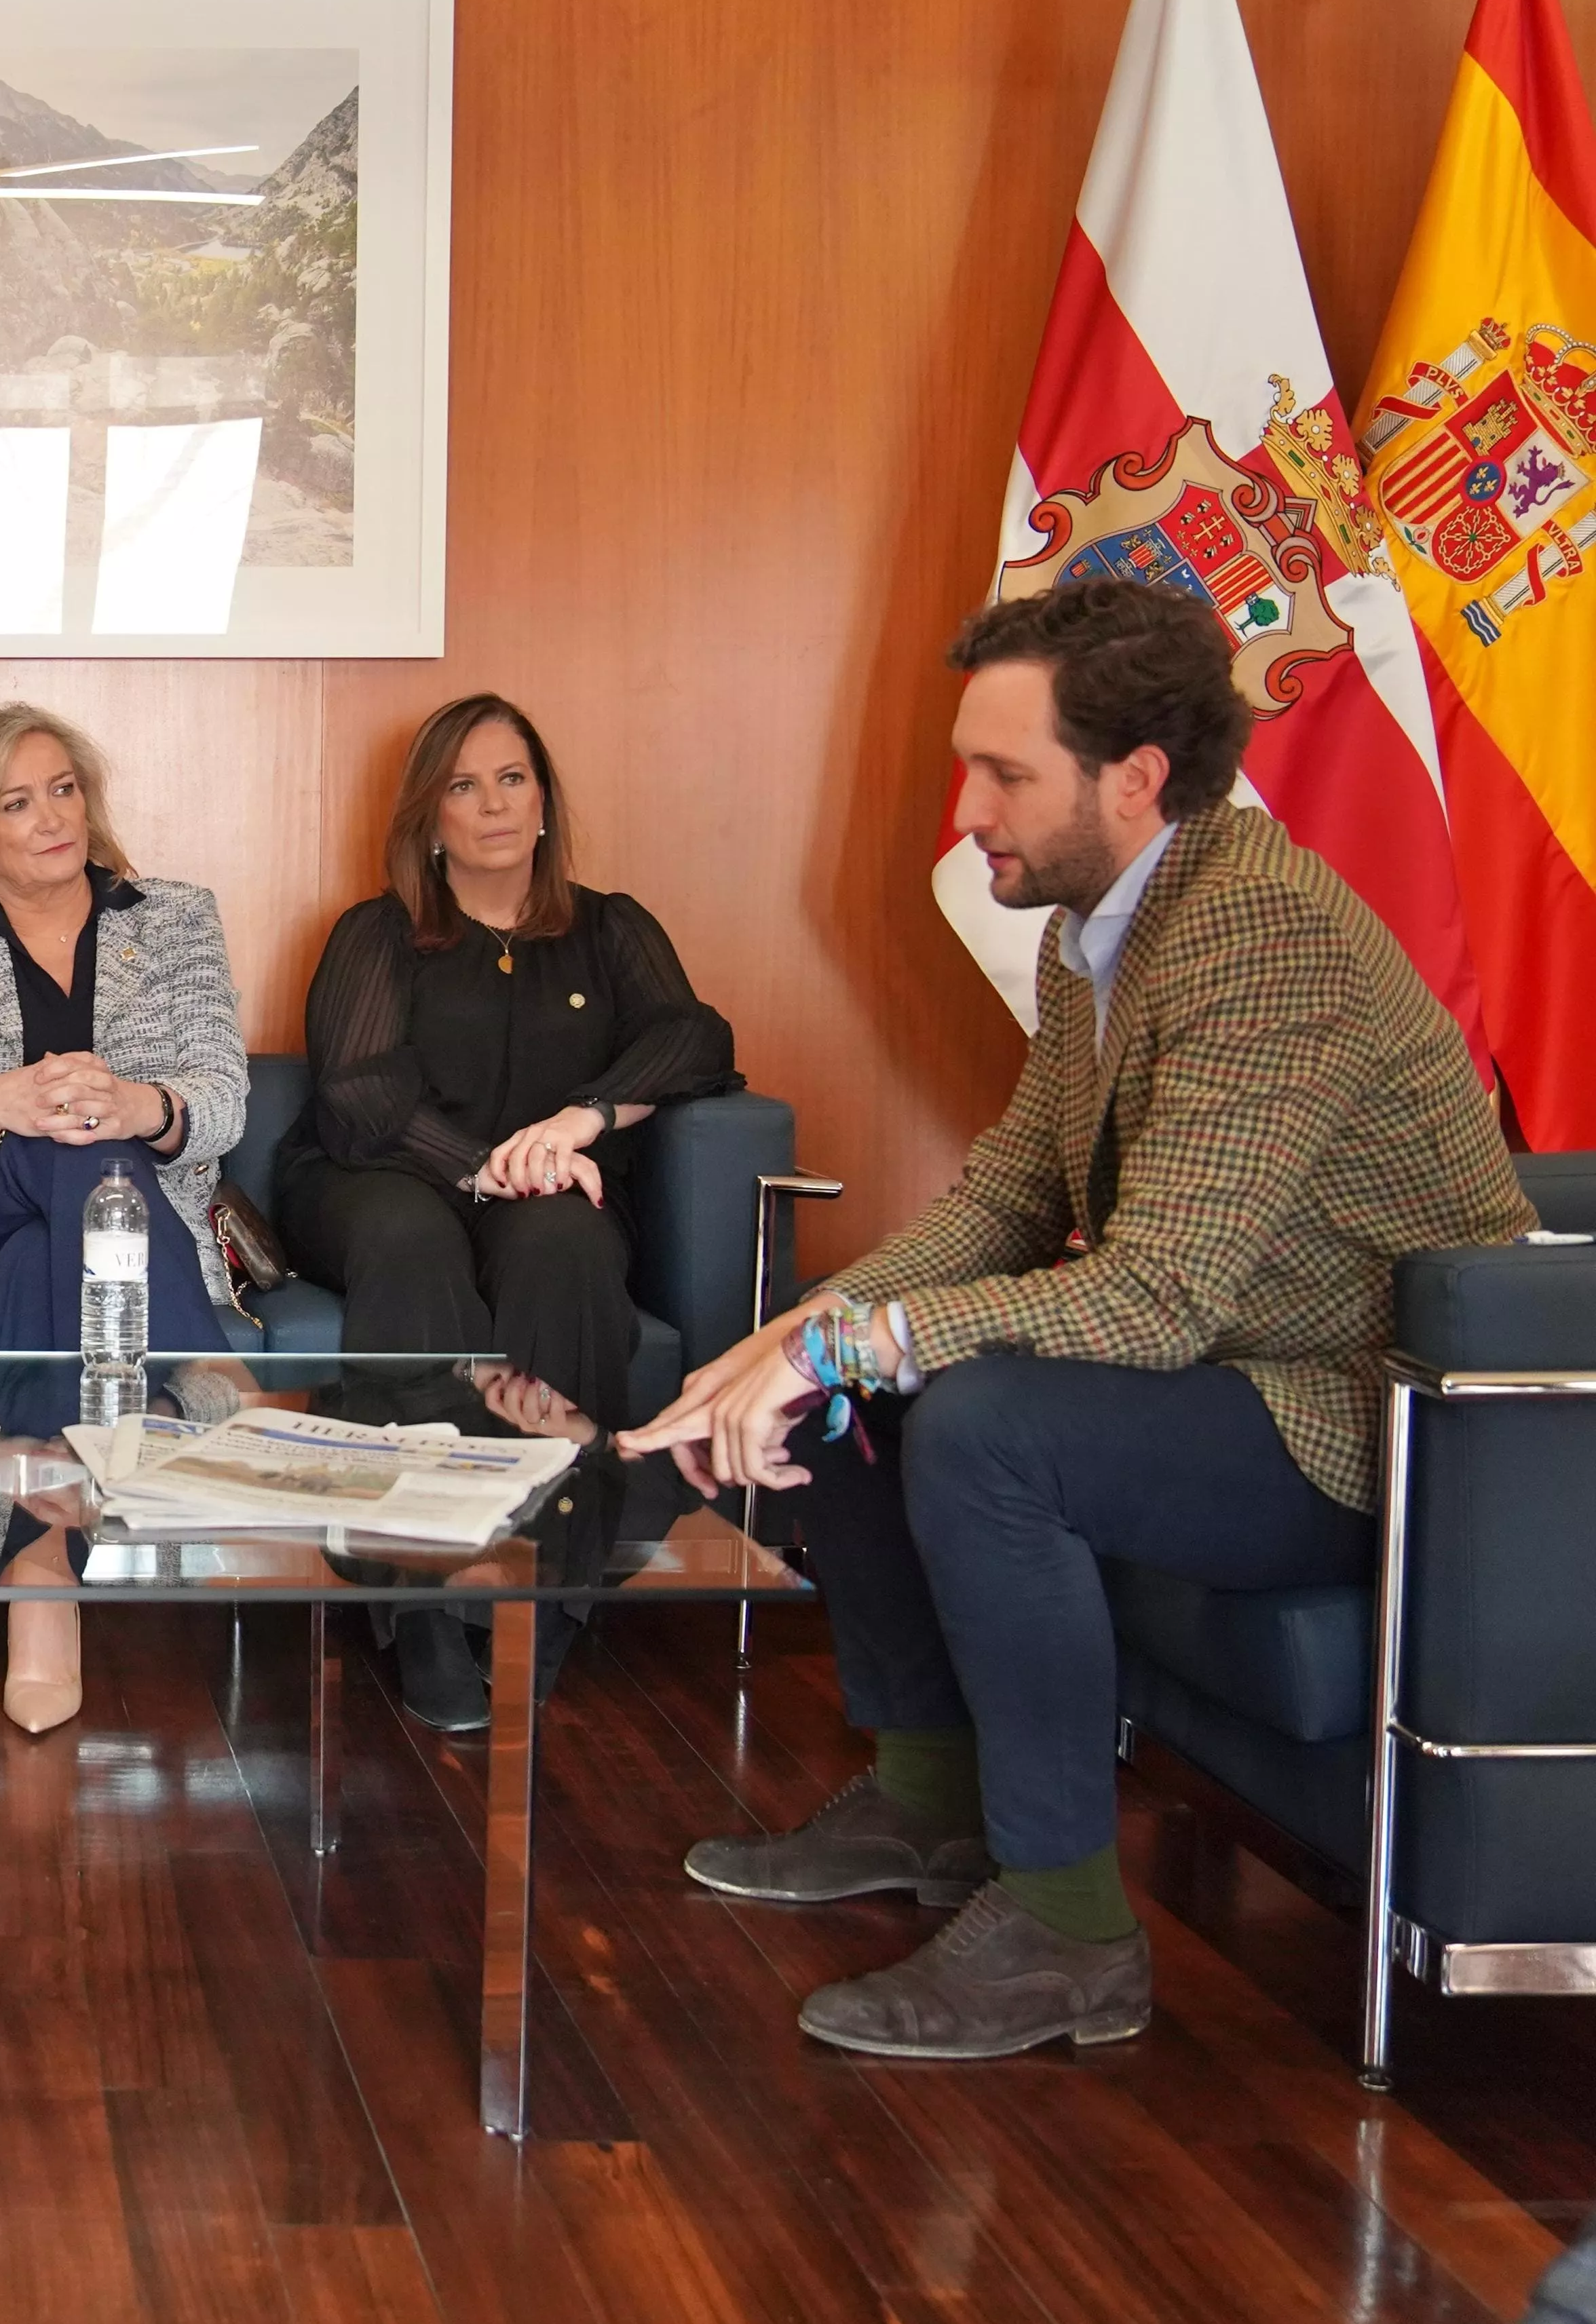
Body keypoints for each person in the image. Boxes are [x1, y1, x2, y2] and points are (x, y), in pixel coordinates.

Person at [621, 573, 1533, 2062]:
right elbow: (1003, 1205)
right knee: (866, 1370)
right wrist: (786, 1340)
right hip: (1223, 1374)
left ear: (1136, 777)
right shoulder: (1089, 933)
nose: (966, 807)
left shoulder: (1260, 933)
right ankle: (927, 1807)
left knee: (982, 1424)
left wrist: (846, 1346)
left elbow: (1157, 1291)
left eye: (1003, 773)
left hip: (1363, 1419)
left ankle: (1064, 1934)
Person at [271, 694, 736, 1728]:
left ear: (544, 798)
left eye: (512, 777)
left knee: (568, 1245)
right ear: (428, 817)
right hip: (377, 1179)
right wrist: (488, 1167)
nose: (492, 803)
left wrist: (582, 1120)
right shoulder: (380, 932)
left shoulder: (612, 927)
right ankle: (422, 1597)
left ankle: (548, 1580)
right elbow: (360, 1099)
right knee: (413, 1238)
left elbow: (697, 1038)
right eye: (463, 785)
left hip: (546, 1190)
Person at [0, 705, 248, 1734]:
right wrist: (2, 1104)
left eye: (64, 789)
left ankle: (41, 1564)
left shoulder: (173, 918)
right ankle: (204, 1394)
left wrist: (141, 1106)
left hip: (76, 1234)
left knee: (77, 1190)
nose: (51, 818)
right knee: (57, 1136)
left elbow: (221, 1096)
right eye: (16, 801)